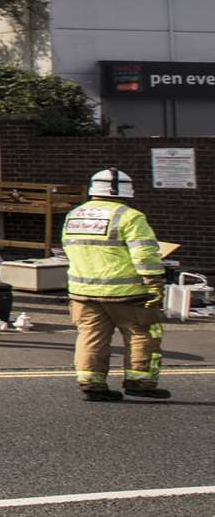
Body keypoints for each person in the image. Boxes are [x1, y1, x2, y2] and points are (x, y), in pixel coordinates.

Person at [62, 168, 169, 402]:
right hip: (127, 293)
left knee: (90, 336)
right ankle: (139, 382)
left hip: (83, 291)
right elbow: (144, 254)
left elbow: (69, 249)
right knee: (142, 333)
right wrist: (154, 284)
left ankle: (92, 383)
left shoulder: (75, 215)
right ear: (127, 191)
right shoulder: (130, 216)